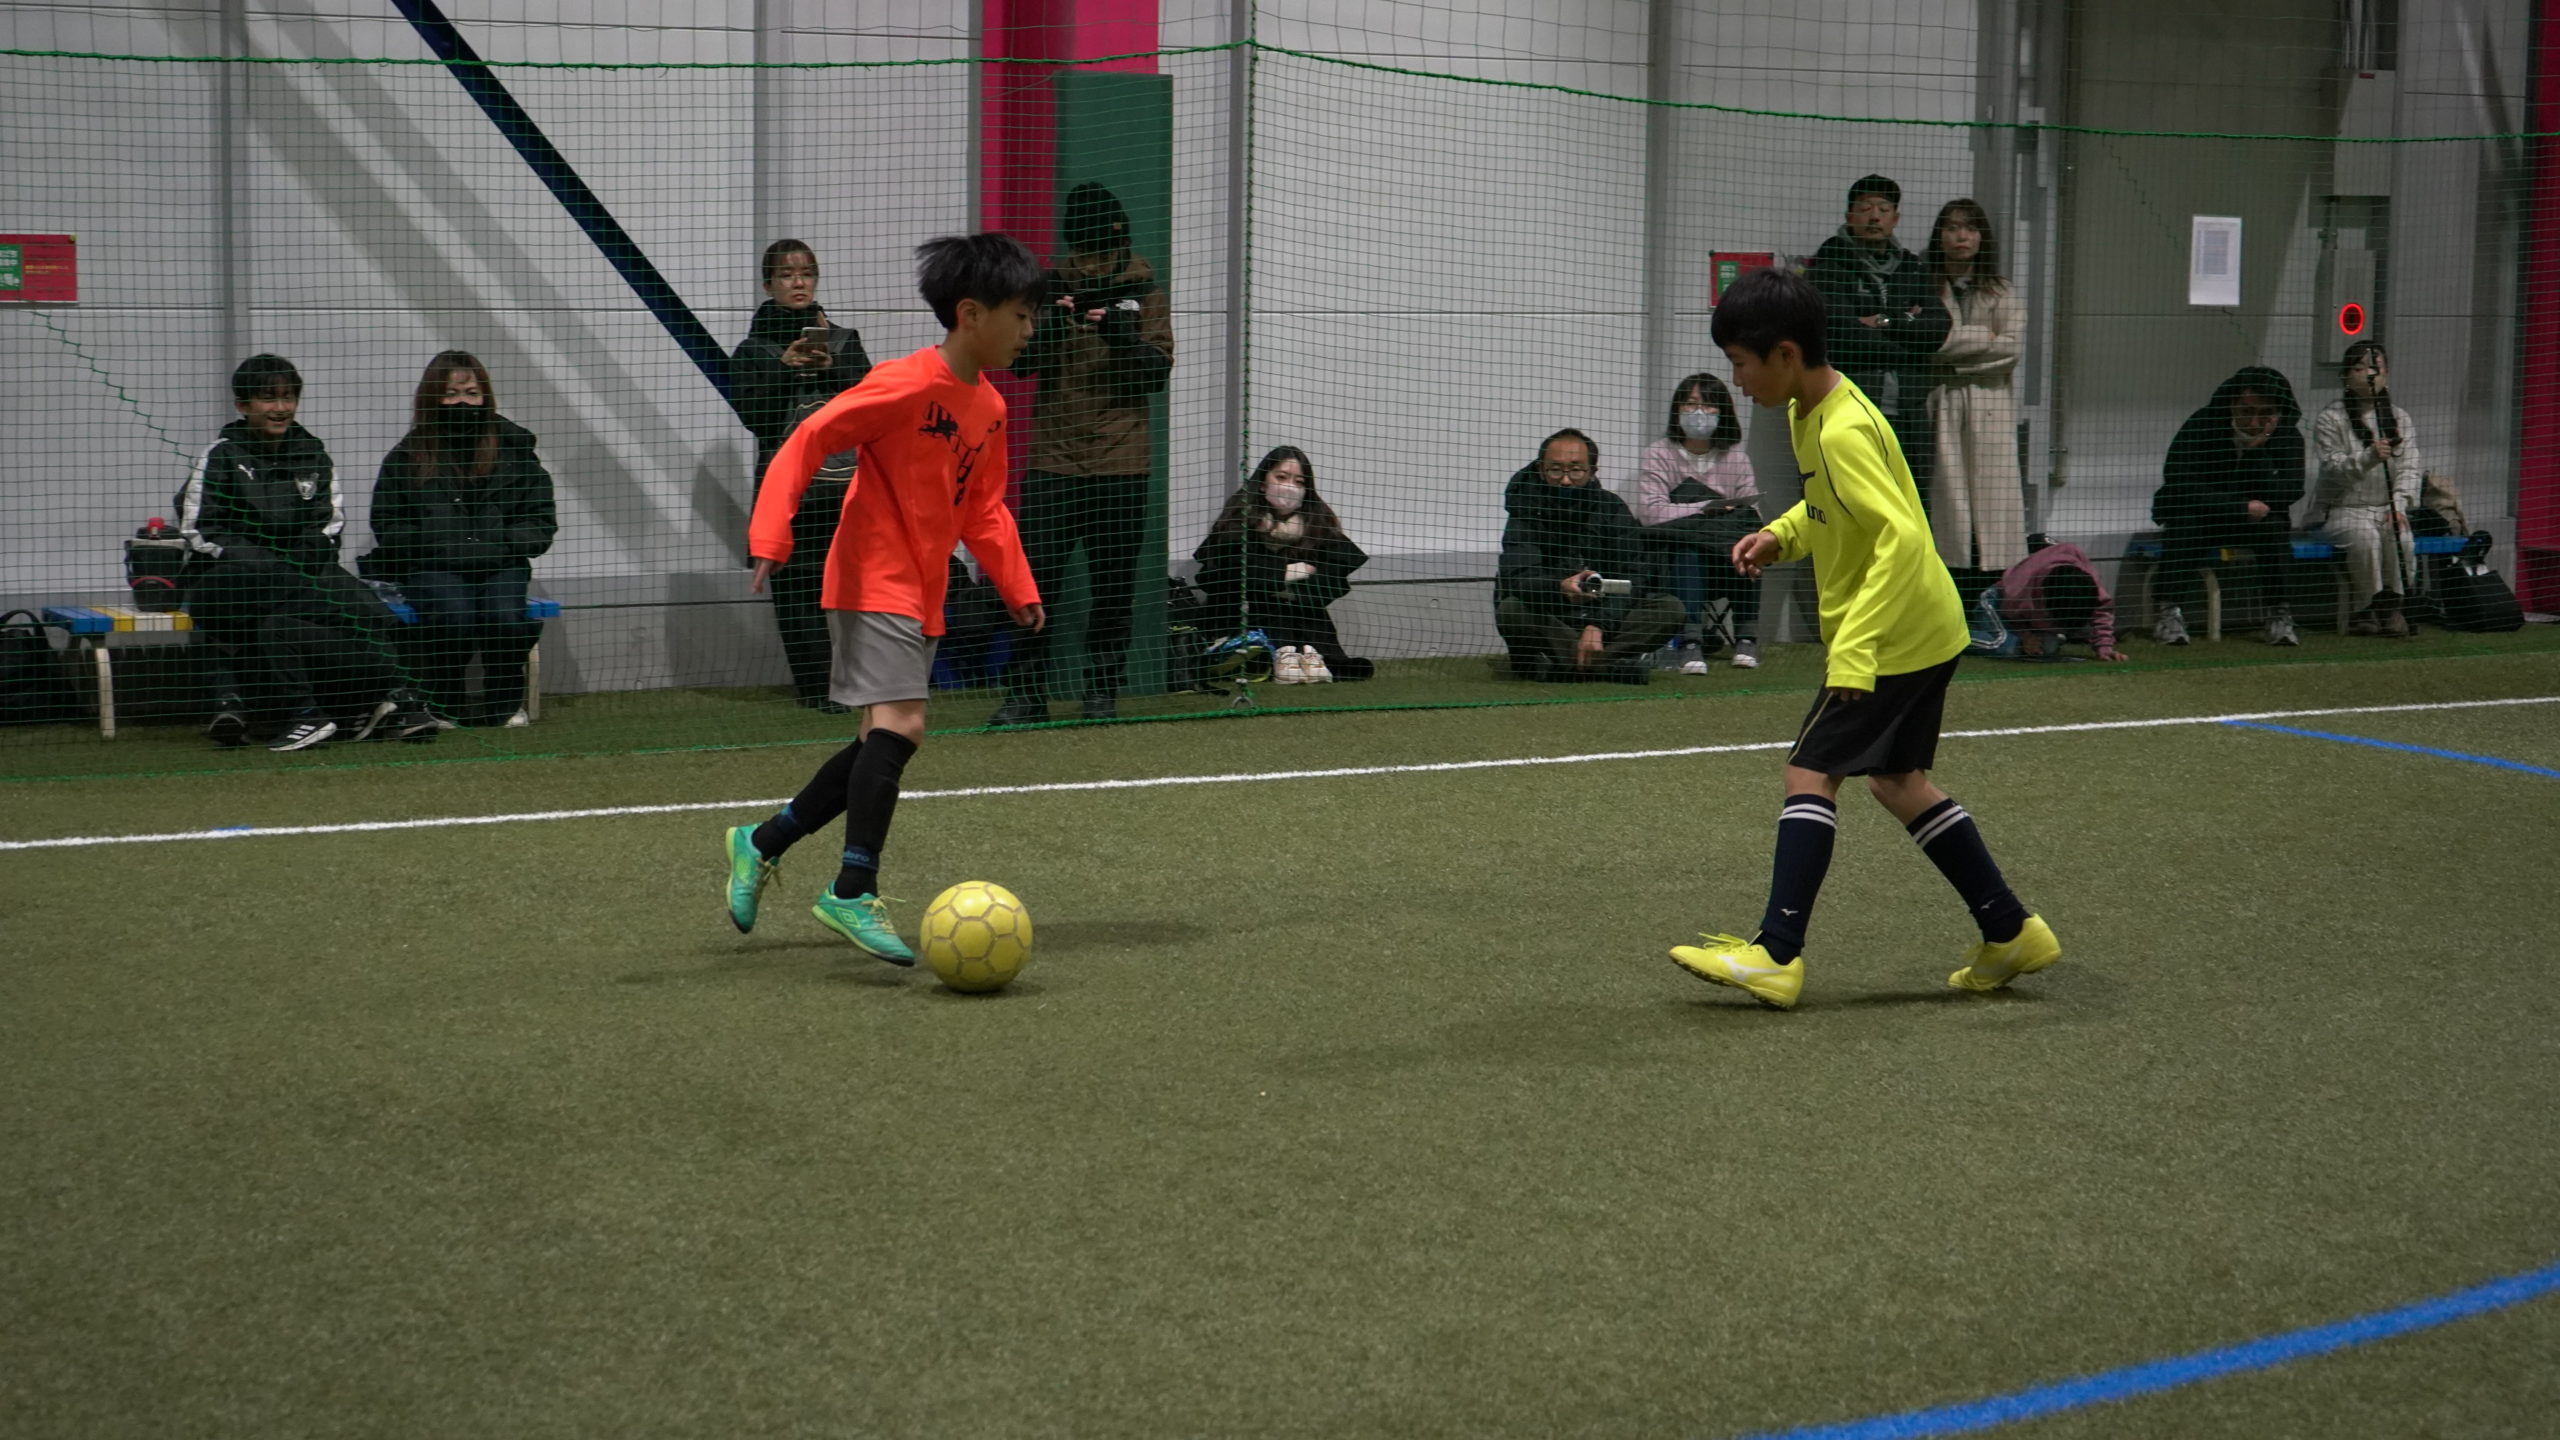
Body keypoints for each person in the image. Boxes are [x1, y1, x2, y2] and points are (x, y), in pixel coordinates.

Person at [1669, 268, 2057, 1010]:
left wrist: (1855, 651)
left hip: (1894, 635)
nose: (1736, 381)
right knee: (1897, 781)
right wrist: (1782, 535)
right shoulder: (1812, 409)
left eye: (1740, 364)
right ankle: (2010, 930)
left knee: (1808, 772)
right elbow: (1833, 509)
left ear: (1785, 354)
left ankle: (1776, 953)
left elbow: (1900, 542)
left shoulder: (1841, 428)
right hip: (1926, 627)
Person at [721, 234, 1047, 964]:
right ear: (971, 314)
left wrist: (1016, 585)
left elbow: (984, 511)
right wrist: (771, 532)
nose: (1030, 330)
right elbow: (809, 437)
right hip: (872, 575)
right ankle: (851, 887)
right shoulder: (904, 383)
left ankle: (762, 841)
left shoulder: (990, 408)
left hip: (923, 589)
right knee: (903, 726)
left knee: (881, 738)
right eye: (1021, 316)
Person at [180, 354, 436, 752]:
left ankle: (351, 708)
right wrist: (267, 564)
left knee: (340, 611)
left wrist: (298, 561)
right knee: (343, 605)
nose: (281, 407)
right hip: (235, 582)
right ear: (243, 405)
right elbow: (201, 530)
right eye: (269, 398)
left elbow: (329, 527)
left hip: (301, 578)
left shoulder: (313, 453)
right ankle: (393, 701)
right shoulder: (221, 456)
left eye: (289, 397)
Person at [990, 182, 1175, 726]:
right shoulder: (1047, 289)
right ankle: (1026, 695)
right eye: (1083, 251)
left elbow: (1156, 374)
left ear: (1119, 242)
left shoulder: (1145, 292)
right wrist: (1051, 327)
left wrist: (1121, 335)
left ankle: (1101, 694)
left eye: (1100, 251)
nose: (1090, 262)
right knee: (1034, 581)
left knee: (1113, 587)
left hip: (1123, 464)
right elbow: (1017, 364)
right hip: (1053, 461)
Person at [365, 351, 557, 727]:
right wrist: (436, 545)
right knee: (453, 616)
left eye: (471, 393)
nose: (462, 403)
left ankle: (503, 706)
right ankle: (444, 705)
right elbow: (387, 525)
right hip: (432, 567)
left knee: (505, 617)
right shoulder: (406, 457)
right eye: (451, 394)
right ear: (432, 398)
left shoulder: (516, 451)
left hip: (501, 564)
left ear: (486, 396)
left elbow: (540, 522)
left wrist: (500, 544)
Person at [732, 240, 874, 709]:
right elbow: (756, 419)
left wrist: (834, 368)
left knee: (859, 589)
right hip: (789, 490)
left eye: (807, 273)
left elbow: (872, 409)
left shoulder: (844, 341)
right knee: (796, 591)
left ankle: (864, 682)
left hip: (847, 488)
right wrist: (783, 368)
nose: (799, 282)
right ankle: (817, 690)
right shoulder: (752, 351)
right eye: (787, 275)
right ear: (768, 284)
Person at [1495, 429, 1684, 684]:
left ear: (1592, 471)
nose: (1565, 480)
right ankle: (1607, 666)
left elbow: (1635, 576)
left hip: (1606, 615)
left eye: (1576, 470)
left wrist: (1598, 625)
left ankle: (1566, 667)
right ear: (1541, 469)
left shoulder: (1612, 507)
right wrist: (1560, 587)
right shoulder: (1525, 510)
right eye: (1555, 470)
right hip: (1553, 615)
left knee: (1669, 608)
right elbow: (1519, 577)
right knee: (1511, 609)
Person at [1808, 174, 1949, 502]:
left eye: (1884, 210)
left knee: (1910, 503)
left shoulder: (1912, 268)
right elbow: (1840, 333)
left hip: (1909, 413)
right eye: (1866, 208)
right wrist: (1909, 335)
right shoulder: (1828, 265)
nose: (1875, 217)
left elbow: (1938, 327)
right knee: (1851, 501)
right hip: (1851, 409)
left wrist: (1884, 321)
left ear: (1895, 219)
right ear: (1850, 216)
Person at [2150, 366, 2307, 646]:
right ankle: (2168, 612)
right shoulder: (2203, 425)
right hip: (2205, 515)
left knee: (2275, 529)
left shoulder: (2287, 436)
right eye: (2247, 411)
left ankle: (2280, 615)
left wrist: (2257, 451)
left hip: (2254, 522)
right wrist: (2239, 506)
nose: (2254, 421)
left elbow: (2291, 489)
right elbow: (2178, 479)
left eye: (2265, 413)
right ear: (2232, 404)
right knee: (2183, 525)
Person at [1193, 445, 1375, 683]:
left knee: (1296, 605)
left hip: (1301, 611)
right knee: (1273, 604)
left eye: (1299, 482)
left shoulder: (1317, 524)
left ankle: (1311, 655)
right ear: (1263, 481)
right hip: (1244, 613)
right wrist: (1282, 574)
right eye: (1281, 477)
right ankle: (1282, 655)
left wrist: (1294, 589)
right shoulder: (1239, 521)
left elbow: (1334, 573)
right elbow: (1222, 573)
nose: (1290, 487)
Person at [1631, 372, 1762, 672]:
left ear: (1723, 411)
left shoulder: (1737, 459)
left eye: (1709, 405)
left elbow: (1751, 514)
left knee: (1751, 543)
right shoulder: (1658, 454)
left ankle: (1747, 637)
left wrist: (1697, 517)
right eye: (1690, 404)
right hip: (1671, 564)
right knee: (1688, 545)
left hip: (1725, 561)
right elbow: (1650, 514)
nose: (1699, 412)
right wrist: (1707, 509)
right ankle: (1690, 642)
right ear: (1677, 410)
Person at [1924, 198, 2027, 572]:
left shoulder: (2002, 291)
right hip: (1942, 401)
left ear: (1982, 237)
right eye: (1952, 228)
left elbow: (2011, 349)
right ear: (1940, 236)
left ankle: (1993, 588)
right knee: (1947, 499)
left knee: (1993, 501)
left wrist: (1954, 350)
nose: (1961, 236)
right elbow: (1927, 344)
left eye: (1970, 228)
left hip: (1991, 406)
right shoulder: (1924, 288)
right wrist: (1985, 337)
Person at [2311, 339, 2422, 637]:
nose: (2369, 374)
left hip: (2387, 508)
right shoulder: (2330, 418)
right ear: (2346, 375)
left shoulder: (2400, 418)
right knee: (2364, 538)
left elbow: (2410, 468)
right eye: (2359, 368)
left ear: (2386, 373)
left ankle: (2393, 607)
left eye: (2376, 367)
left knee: (2402, 537)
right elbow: (2333, 468)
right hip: (2343, 509)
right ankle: (2365, 608)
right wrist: (2369, 457)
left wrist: (2399, 506)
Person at [1979, 538, 2125, 661]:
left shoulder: (2087, 586)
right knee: (2006, 647)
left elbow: (2101, 613)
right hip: (1997, 604)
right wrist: (2025, 636)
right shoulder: (2019, 588)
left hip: (2031, 619)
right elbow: (2009, 613)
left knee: (2047, 649)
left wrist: (2104, 648)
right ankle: (1965, 635)